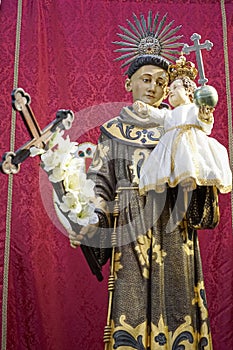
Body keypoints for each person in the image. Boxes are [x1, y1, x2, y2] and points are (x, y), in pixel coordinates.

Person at [68, 12, 220, 350]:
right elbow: (100, 187)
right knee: (131, 315)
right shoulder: (112, 131)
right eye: (146, 79)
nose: (153, 88)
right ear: (129, 83)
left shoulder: (177, 128)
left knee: (179, 312)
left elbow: (198, 174)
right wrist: (89, 222)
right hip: (131, 236)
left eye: (161, 83)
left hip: (173, 230)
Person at [133, 56, 232, 195]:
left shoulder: (194, 108)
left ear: (189, 91)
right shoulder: (168, 114)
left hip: (192, 143)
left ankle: (191, 180)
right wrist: (145, 109)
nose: (170, 92)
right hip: (169, 147)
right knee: (165, 169)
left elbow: (206, 127)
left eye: (175, 87)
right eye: (169, 89)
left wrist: (205, 115)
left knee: (188, 158)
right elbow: (158, 115)